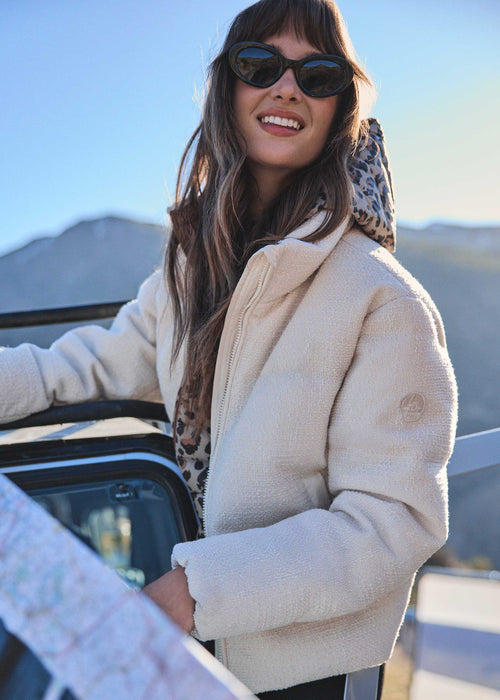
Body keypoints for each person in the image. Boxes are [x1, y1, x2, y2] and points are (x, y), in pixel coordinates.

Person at [0, 0, 457, 697]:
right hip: (195, 644)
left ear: (341, 106)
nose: (287, 88)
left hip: (295, 675)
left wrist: (192, 591)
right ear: (226, 88)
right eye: (259, 65)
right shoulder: (193, 270)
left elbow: (392, 522)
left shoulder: (381, 299)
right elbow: (83, 368)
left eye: (318, 75)